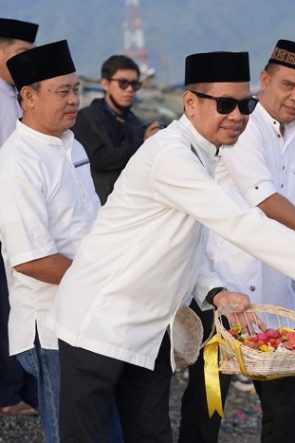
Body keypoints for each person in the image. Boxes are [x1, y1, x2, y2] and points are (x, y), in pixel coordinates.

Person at [49, 50, 295, 443]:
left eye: (245, 105)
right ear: (190, 102)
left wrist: (214, 291)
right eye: (225, 104)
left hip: (152, 325)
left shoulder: (206, 153)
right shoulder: (171, 155)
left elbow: (191, 241)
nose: (238, 115)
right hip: (99, 319)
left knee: (152, 434)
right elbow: (240, 222)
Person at [179, 39, 295, 443]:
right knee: (207, 404)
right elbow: (267, 202)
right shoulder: (241, 127)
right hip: (223, 291)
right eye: (288, 85)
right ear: (264, 81)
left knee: (286, 408)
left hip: (276, 297)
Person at [0, 40, 100, 442]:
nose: (74, 100)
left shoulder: (71, 145)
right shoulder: (16, 163)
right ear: (28, 96)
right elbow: (32, 260)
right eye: (63, 91)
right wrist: (109, 281)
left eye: (76, 89)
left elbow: (90, 224)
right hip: (51, 324)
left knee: (96, 425)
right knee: (69, 433)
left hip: (89, 311)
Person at [0, 17, 39, 418]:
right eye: (20, 55)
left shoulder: (15, 94)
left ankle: (24, 386)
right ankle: (8, 393)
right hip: (5, 216)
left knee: (18, 305)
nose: (27, 62)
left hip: (18, 218)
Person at [73, 54, 160, 204]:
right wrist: (144, 143)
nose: (130, 89)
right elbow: (99, 160)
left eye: (135, 84)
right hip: (99, 207)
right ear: (105, 83)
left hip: (133, 205)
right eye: (123, 83)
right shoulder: (85, 118)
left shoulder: (136, 122)